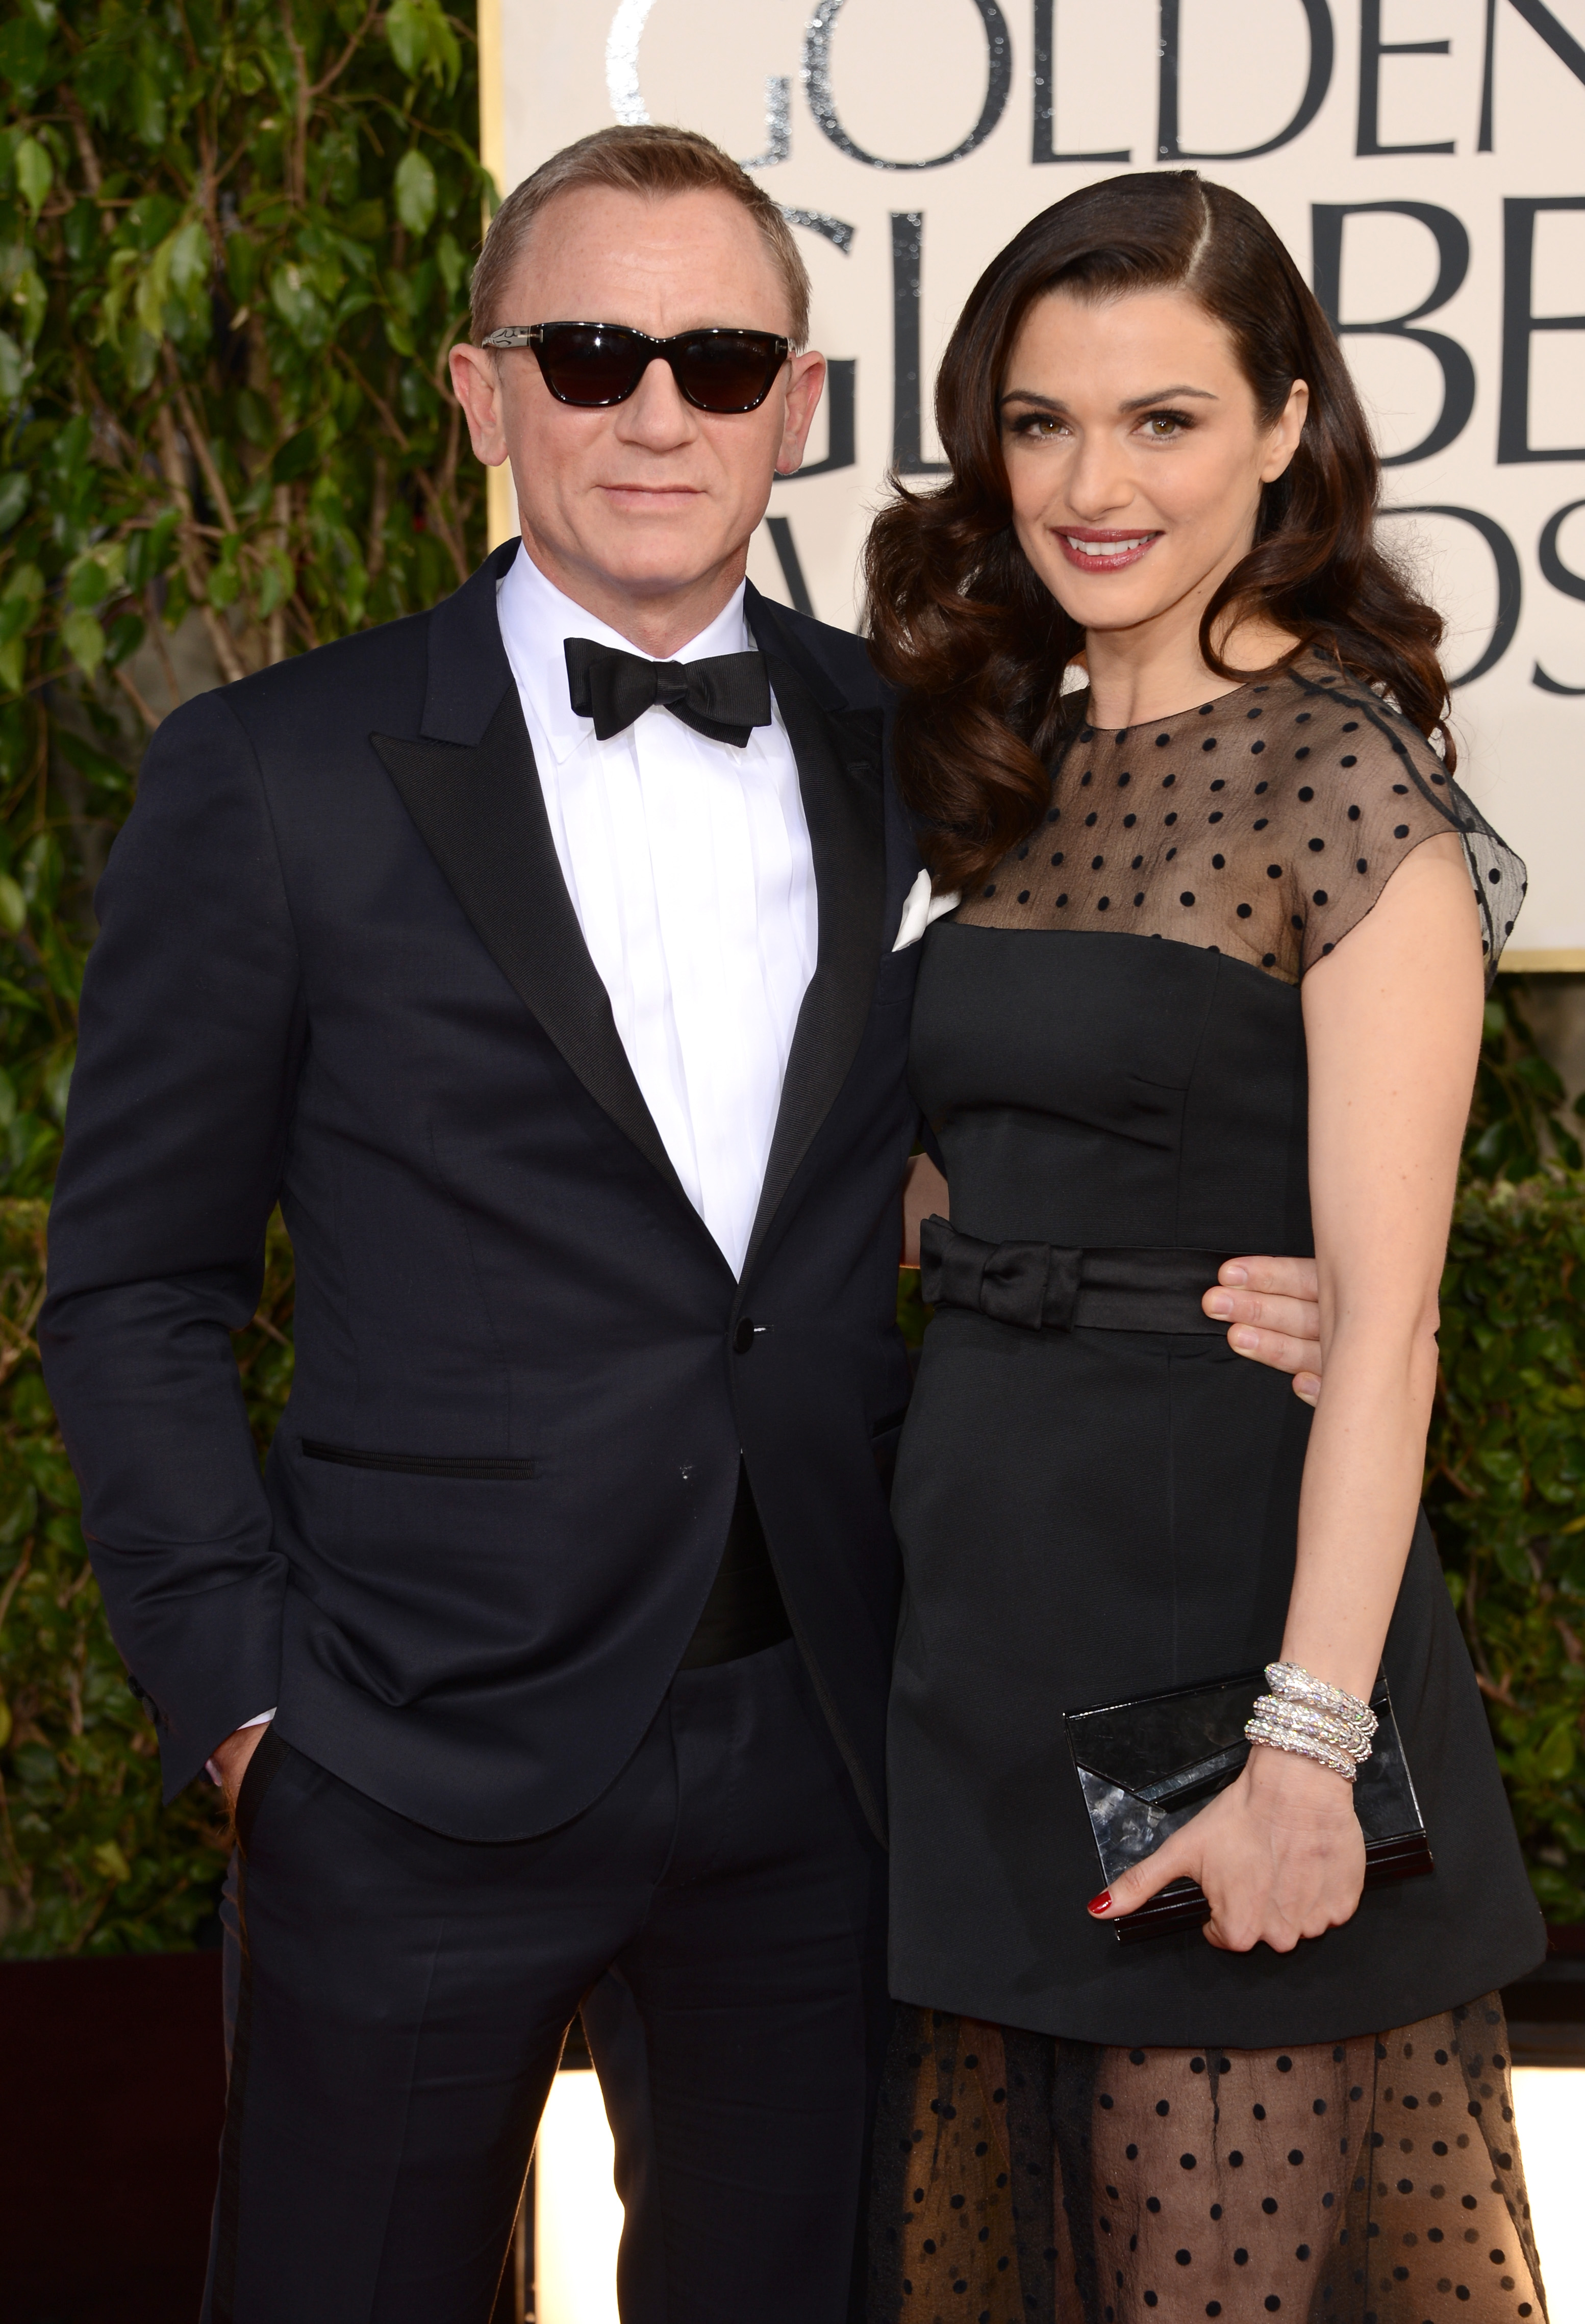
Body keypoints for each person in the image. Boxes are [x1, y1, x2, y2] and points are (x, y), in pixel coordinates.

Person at [39, 129, 1321, 2324]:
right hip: (402, 1746)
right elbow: (135, 1285)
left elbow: (1048, 1100)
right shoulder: (273, 774)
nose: (656, 412)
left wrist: (1243, 1279)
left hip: (820, 1745)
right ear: (482, 387)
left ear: (799, 407)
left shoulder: (927, 750)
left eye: (719, 360)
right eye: (593, 351)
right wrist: (249, 1704)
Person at [862, 171, 1549, 2324]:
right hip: (983, 1614)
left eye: (1165, 419)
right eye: (1045, 422)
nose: (1094, 482)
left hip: (1219, 1635)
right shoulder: (1005, 750)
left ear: (1286, 425)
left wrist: (1303, 1752)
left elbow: (1397, 1325)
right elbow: (949, 1161)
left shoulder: (1343, 791)